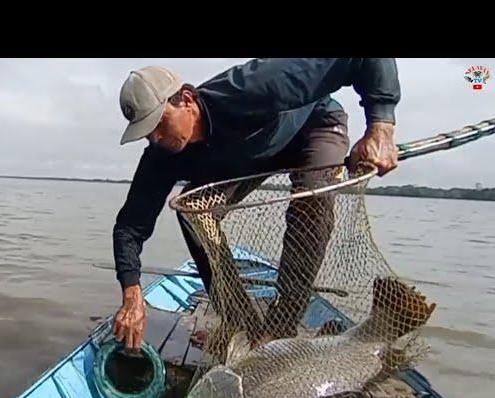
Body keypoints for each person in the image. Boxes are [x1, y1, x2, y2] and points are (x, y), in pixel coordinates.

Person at [111, 58, 400, 351]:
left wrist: (381, 126)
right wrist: (133, 295)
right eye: (147, 132)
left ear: (186, 99)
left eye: (160, 123)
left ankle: (279, 327)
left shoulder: (253, 86)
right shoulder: (162, 154)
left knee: (311, 201)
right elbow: (130, 228)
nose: (157, 137)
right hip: (251, 158)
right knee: (194, 210)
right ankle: (239, 324)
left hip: (312, 128)